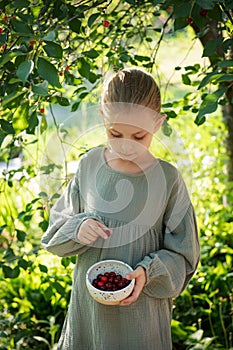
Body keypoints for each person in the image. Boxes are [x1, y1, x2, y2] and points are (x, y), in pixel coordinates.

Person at [41, 68, 200, 350]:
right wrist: (78, 228)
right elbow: (55, 232)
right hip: (89, 315)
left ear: (157, 123)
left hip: (142, 318)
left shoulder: (167, 179)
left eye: (139, 136)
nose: (126, 146)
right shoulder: (89, 165)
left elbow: (184, 256)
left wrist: (148, 272)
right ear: (102, 117)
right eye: (115, 133)